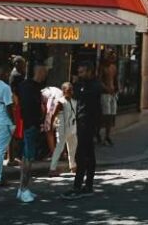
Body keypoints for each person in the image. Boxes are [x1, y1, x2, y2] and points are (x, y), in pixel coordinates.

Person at [70, 63, 102, 197]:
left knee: (82, 154)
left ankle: (80, 185)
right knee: (87, 154)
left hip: (88, 122)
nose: (80, 74)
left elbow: (82, 96)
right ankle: (87, 185)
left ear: (89, 71)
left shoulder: (94, 85)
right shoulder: (83, 85)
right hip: (82, 121)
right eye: (79, 72)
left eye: (82, 72)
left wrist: (78, 86)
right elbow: (76, 96)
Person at [16, 63, 46, 203]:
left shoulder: (28, 86)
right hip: (30, 125)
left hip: (30, 124)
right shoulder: (29, 87)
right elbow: (28, 106)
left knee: (27, 158)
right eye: (43, 71)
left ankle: (23, 188)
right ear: (38, 71)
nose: (45, 74)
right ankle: (23, 189)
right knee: (28, 159)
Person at [49, 82, 78, 175]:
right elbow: (53, 115)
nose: (71, 92)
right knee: (59, 148)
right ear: (64, 91)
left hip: (72, 128)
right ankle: (52, 169)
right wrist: (51, 125)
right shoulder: (60, 102)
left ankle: (73, 166)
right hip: (62, 128)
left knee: (73, 147)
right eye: (68, 90)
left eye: (71, 90)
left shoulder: (74, 101)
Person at [6, 55, 26, 164]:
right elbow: (14, 93)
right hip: (16, 106)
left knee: (15, 131)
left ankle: (12, 157)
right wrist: (17, 105)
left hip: (15, 105)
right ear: (18, 64)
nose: (25, 66)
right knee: (14, 131)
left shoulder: (15, 74)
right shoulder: (17, 75)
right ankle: (11, 158)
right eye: (23, 64)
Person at [98, 51, 118, 146]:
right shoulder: (103, 68)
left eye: (114, 57)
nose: (113, 59)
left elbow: (115, 79)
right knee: (105, 115)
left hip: (113, 93)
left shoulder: (114, 67)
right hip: (105, 93)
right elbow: (99, 80)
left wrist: (116, 89)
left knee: (111, 115)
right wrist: (106, 88)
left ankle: (107, 135)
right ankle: (100, 134)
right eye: (111, 57)